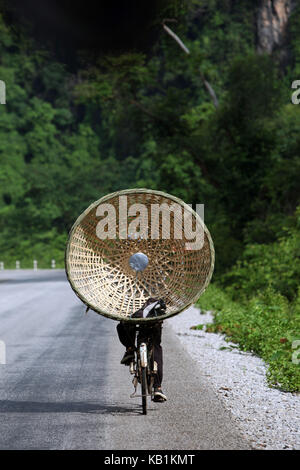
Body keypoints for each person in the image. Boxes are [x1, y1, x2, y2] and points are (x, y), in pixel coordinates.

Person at [116, 298, 167, 402]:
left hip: (136, 312)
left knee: (123, 325)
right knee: (156, 345)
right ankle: (158, 388)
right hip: (153, 316)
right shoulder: (160, 286)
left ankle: (130, 349)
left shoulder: (131, 295)